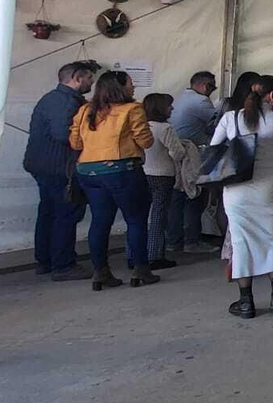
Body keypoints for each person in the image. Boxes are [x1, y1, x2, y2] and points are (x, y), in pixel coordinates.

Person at [212, 74, 273, 317]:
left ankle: (245, 301)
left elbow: (215, 148)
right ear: (271, 96)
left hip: (236, 189)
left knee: (241, 241)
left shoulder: (231, 118)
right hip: (269, 187)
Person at [68, 70, 155, 290]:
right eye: (130, 83)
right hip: (122, 170)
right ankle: (140, 269)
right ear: (121, 88)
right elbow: (146, 141)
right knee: (135, 220)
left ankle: (101, 272)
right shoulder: (132, 109)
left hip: (88, 172)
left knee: (100, 221)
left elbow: (76, 143)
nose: (133, 87)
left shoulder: (85, 110)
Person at [23, 59, 96, 281]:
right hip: (59, 167)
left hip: (43, 165)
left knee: (49, 212)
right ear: (77, 78)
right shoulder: (66, 103)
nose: (91, 82)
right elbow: (63, 135)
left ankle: (45, 260)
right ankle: (63, 265)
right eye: (89, 78)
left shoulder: (53, 98)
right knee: (66, 213)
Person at [166, 69, 219, 254]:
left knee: (177, 198)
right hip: (192, 153)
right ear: (205, 86)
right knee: (193, 197)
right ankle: (192, 241)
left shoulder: (181, 98)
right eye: (213, 87)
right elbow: (218, 124)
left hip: (175, 154)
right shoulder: (201, 101)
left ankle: (174, 240)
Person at [141, 92, 187, 271]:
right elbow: (178, 153)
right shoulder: (165, 128)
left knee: (138, 217)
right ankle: (154, 255)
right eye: (169, 106)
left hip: (143, 173)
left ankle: (134, 254)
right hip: (162, 175)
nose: (172, 108)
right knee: (159, 217)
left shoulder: (141, 125)